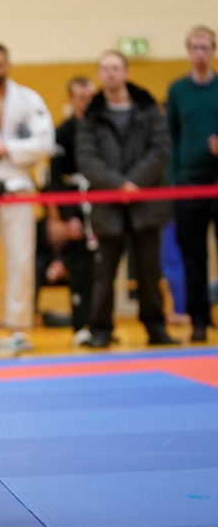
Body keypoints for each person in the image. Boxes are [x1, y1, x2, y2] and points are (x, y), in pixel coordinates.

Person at [76, 50, 174, 348]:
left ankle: (156, 327)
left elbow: (160, 150)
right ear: (99, 74)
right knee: (104, 274)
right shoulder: (90, 115)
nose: (111, 73)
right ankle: (101, 329)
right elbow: (87, 159)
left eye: (116, 67)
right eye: (105, 68)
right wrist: (119, 185)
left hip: (145, 202)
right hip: (107, 204)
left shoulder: (148, 109)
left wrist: (135, 183)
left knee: (149, 270)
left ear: (126, 72)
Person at [0, 43, 54, 351]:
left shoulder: (28, 99)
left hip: (18, 187)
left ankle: (17, 326)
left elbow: (45, 143)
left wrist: (4, 149)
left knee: (20, 257)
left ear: (8, 63)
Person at [168, 24, 218, 343]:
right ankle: (198, 317)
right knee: (193, 254)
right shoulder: (177, 90)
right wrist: (175, 179)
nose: (200, 53)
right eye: (195, 47)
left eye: (206, 47)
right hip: (189, 182)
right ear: (188, 51)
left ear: (213, 51)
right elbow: (171, 135)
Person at [42, 76, 96, 346]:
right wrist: (67, 216)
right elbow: (54, 179)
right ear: (71, 99)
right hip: (75, 205)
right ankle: (81, 325)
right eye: (81, 96)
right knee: (80, 267)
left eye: (91, 96)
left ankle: (102, 325)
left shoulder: (104, 129)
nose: (87, 101)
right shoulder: (62, 132)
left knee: (103, 266)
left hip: (102, 202)